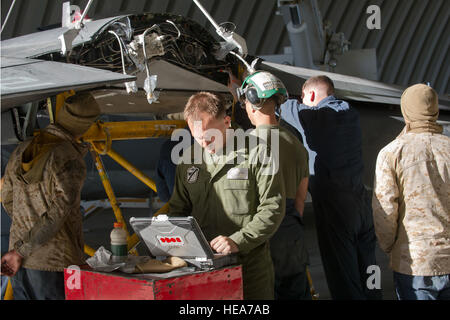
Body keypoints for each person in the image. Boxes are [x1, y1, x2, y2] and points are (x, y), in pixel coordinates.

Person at [168, 91, 286, 300]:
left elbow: (273, 208)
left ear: (227, 121)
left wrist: (238, 240)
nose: (203, 144)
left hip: (248, 269)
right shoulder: (189, 160)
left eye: (208, 136)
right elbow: (179, 209)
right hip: (202, 271)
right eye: (196, 137)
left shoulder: (258, 153)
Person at [280, 75, 382, 300]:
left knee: (343, 277)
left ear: (312, 95)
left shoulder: (313, 116)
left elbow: (279, 103)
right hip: (362, 205)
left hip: (336, 209)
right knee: (370, 268)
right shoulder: (350, 113)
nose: (303, 102)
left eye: (305, 97)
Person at [0, 92, 101, 300]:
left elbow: (8, 198)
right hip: (53, 262)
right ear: (84, 125)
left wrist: (21, 245)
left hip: (17, 261)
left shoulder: (22, 149)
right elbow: (59, 212)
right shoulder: (69, 157)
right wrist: (24, 250)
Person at [237, 71, 311, 300]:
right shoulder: (296, 142)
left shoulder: (247, 144)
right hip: (291, 233)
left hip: (263, 234)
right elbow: (300, 201)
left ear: (252, 102)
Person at [372, 84, 450, 300]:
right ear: (435, 110)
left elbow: (384, 209)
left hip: (414, 263)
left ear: (406, 111)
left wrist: (390, 247)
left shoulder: (392, 153)